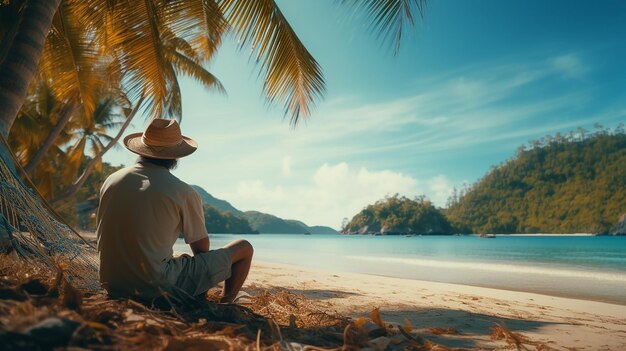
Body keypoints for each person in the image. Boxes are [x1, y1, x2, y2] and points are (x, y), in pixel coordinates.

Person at [96, 118, 253, 304]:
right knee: (244, 248)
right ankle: (227, 303)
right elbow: (201, 250)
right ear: (176, 156)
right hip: (154, 286)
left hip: (112, 282)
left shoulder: (112, 180)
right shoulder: (183, 191)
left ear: (141, 150)